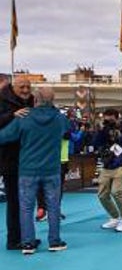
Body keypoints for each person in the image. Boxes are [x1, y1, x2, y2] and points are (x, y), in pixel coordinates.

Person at [0, 85, 70, 254]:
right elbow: (67, 131)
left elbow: (3, 137)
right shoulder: (60, 119)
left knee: (25, 207)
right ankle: (55, 241)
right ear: (53, 100)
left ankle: (28, 244)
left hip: (27, 170)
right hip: (52, 169)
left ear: (35, 99)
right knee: (53, 206)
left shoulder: (24, 117)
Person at [0, 75, 34, 249]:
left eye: (28, 86)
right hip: (9, 160)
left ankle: (26, 237)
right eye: (22, 87)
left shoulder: (31, 101)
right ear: (13, 87)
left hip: (28, 159)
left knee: (26, 201)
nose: (26, 90)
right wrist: (12, 116)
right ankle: (13, 240)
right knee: (14, 201)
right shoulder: (2, 100)